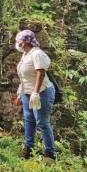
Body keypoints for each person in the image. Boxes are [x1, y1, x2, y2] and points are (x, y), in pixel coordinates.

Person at [14, 29, 56, 160]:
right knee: (29, 120)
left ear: (26, 41)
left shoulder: (37, 53)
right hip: (27, 94)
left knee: (42, 122)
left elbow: (40, 73)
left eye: (19, 41)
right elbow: (24, 76)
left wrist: (36, 92)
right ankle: (28, 148)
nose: (17, 43)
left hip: (42, 92)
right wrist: (20, 94)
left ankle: (49, 153)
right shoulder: (25, 55)